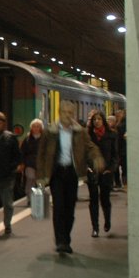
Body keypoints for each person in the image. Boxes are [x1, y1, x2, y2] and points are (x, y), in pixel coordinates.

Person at [36, 100, 104, 254]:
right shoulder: (49, 132)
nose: (68, 115)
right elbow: (41, 155)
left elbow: (90, 147)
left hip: (72, 174)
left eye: (70, 113)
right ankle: (61, 241)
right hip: (56, 173)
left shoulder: (80, 132)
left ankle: (66, 237)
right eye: (65, 112)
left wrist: (96, 157)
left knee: (70, 209)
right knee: (58, 207)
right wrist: (41, 176)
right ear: (59, 113)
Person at [86, 111, 118, 238]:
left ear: (103, 120)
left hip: (106, 172)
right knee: (93, 200)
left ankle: (107, 221)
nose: (96, 121)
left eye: (99, 119)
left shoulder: (112, 135)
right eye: (94, 120)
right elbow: (83, 153)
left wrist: (111, 169)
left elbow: (115, 155)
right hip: (92, 172)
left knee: (105, 199)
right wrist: (87, 168)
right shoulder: (88, 136)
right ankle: (95, 227)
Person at [19, 118, 44, 200]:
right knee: (30, 178)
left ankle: (39, 199)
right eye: (34, 126)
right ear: (31, 128)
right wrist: (22, 163)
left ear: (41, 128)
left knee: (40, 181)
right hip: (29, 163)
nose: (36, 128)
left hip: (41, 164)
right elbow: (22, 152)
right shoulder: (27, 139)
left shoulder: (45, 139)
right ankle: (30, 198)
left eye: (38, 126)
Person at [114, 108, 127, 188]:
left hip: (122, 149)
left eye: (119, 113)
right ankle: (121, 183)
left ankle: (123, 184)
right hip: (120, 149)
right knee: (120, 167)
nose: (118, 115)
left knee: (123, 167)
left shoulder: (123, 124)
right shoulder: (119, 123)